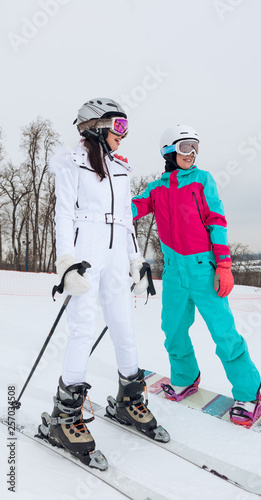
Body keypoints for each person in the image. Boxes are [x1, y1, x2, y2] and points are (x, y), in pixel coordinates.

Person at [40, 98, 168, 468]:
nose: (122, 135)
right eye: (118, 127)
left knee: (124, 327)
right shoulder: (72, 163)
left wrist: (135, 261)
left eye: (125, 127)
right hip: (85, 252)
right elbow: (63, 213)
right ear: (95, 126)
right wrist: (66, 261)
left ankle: (130, 399)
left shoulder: (120, 168)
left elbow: (126, 222)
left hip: (114, 256)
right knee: (82, 329)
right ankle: (65, 417)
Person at [131, 124, 261, 425]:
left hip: (204, 269)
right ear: (169, 151)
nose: (191, 154)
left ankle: (248, 393)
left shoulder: (203, 180)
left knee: (224, 334)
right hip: (174, 271)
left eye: (194, 147)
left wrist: (224, 265)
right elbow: (130, 209)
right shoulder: (157, 188)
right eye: (185, 147)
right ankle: (185, 377)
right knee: (173, 329)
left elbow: (216, 220)